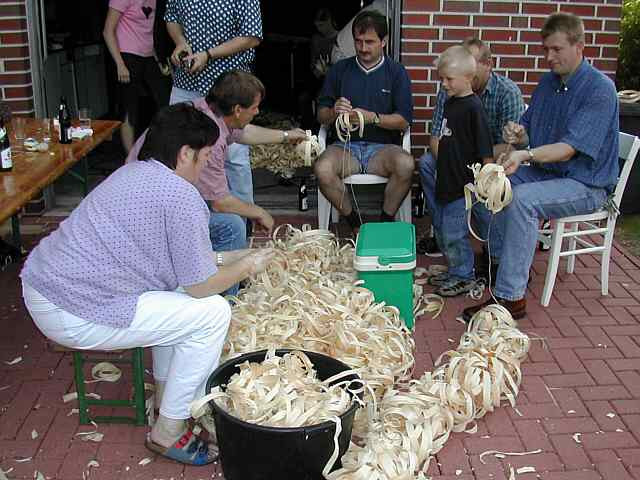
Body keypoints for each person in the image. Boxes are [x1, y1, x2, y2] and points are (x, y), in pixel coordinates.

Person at [21, 103, 276, 465]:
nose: (206, 166)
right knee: (213, 313)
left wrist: (231, 258)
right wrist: (249, 263)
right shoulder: (181, 195)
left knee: (176, 300)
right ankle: (168, 431)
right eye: (204, 157)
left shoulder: (134, 172)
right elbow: (201, 286)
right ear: (185, 153)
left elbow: (184, 266)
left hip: (46, 286)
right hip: (72, 306)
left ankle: (165, 400)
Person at [461, 12, 619, 321]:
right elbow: (529, 130)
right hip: (551, 173)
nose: (549, 57)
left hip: (586, 184)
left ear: (580, 46)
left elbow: (568, 149)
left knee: (521, 200)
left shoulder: (600, 89)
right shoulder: (549, 82)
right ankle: (502, 263)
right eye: (546, 49)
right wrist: (517, 134)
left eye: (556, 49)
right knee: (487, 185)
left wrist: (525, 155)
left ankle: (510, 299)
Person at [125, 71, 307, 293]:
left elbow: (244, 133)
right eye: (255, 107)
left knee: (236, 216)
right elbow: (220, 202)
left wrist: (286, 136)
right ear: (238, 110)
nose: (258, 112)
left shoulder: (205, 110)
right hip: (150, 213)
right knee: (232, 225)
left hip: (139, 191)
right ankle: (226, 297)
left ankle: (229, 269)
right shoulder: (211, 140)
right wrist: (259, 212)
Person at [418, 37, 525, 257]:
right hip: (459, 158)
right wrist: (451, 166)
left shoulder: (507, 93)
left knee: (483, 188)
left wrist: (474, 167)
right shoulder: (449, 92)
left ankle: (494, 250)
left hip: (493, 161)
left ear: (488, 65)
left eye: (473, 65)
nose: (445, 83)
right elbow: (437, 136)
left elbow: (509, 148)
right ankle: (443, 235)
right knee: (428, 164)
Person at [315, 10, 414, 233]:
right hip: (344, 147)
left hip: (383, 150)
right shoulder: (340, 70)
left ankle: (384, 223)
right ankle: (355, 224)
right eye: (358, 41)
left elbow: (404, 121)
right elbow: (321, 115)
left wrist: (374, 118)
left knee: (407, 165)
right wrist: (333, 111)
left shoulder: (396, 72)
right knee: (322, 169)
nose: (363, 48)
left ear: (384, 41)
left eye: (370, 42)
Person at [164, 0, 262, 206]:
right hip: (187, 81)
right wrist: (180, 42)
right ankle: (183, 212)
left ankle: (243, 220)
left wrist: (208, 54)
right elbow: (171, 19)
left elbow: (251, 37)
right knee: (176, 150)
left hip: (229, 86)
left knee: (233, 156)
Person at [425, 46, 493, 297]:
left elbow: (485, 149)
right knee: (443, 229)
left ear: (468, 79)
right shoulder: (451, 103)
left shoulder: (474, 108)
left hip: (463, 186)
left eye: (449, 79)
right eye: (441, 78)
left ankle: (464, 275)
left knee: (454, 233)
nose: (443, 84)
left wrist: (485, 182)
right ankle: (455, 269)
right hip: (447, 179)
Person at [103, 0, 172, 152]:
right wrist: (120, 64)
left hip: (148, 56)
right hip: (127, 56)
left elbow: (147, 33)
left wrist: (158, 60)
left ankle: (161, 150)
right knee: (129, 108)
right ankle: (130, 159)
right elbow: (108, 31)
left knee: (164, 102)